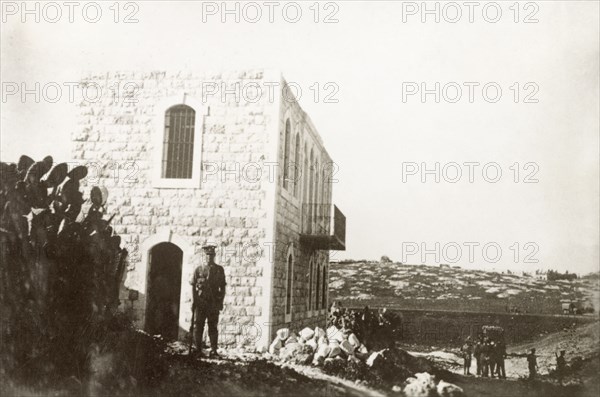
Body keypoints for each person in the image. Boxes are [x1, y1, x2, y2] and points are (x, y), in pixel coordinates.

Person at [191, 244, 226, 358]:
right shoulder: (198, 269)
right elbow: (193, 286)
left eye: (211, 255)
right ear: (204, 256)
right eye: (207, 255)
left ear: (214, 256)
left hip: (213, 303)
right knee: (198, 326)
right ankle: (197, 349)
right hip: (201, 303)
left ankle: (214, 350)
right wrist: (194, 301)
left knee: (213, 327)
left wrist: (221, 302)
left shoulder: (219, 270)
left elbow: (223, 287)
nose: (209, 257)